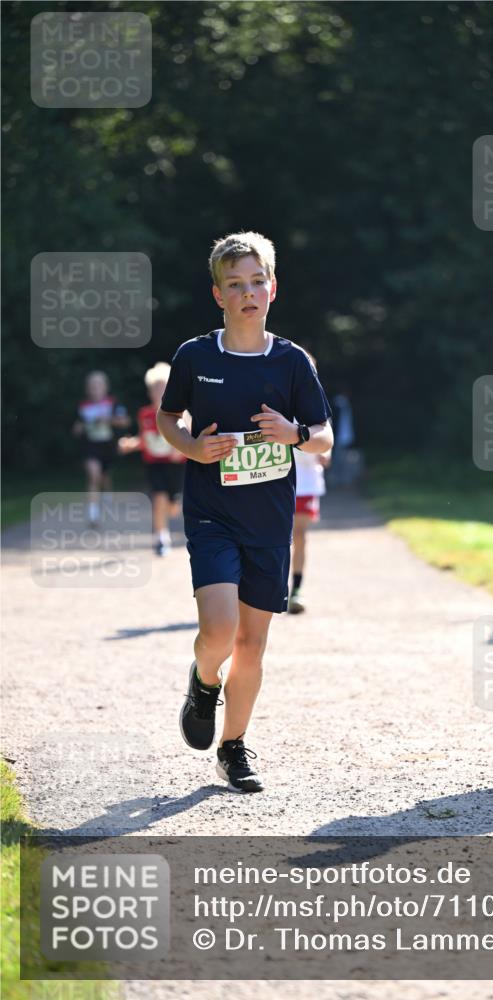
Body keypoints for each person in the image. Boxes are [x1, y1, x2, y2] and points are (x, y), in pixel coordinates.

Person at [156, 231, 333, 792]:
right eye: (235, 284)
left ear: (272, 289)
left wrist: (293, 432)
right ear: (218, 295)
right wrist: (191, 447)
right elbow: (168, 418)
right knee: (220, 629)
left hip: (269, 520)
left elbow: (323, 438)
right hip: (211, 512)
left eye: (257, 281)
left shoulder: (291, 361)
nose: (248, 292)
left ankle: (233, 748)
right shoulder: (194, 356)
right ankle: (204, 680)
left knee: (253, 646)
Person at [118, 362, 187, 556]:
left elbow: (189, 437)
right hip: (155, 464)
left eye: (163, 388)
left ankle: (172, 510)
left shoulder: (181, 413)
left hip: (176, 466)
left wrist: (182, 450)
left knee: (173, 507)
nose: (159, 392)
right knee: (158, 498)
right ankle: (161, 538)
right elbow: (145, 440)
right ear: (150, 392)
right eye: (155, 389)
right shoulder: (145, 414)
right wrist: (130, 444)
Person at [71, 370, 130, 526]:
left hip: (108, 447)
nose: (95, 389)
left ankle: (106, 496)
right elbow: (76, 427)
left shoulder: (113, 402)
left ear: (105, 387)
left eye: (98, 385)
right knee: (93, 475)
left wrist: (108, 419)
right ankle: (93, 514)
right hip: (91, 447)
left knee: (104, 477)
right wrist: (80, 428)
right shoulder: (82, 406)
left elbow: (124, 421)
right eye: (92, 386)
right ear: (87, 388)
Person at [289, 425, 331, 614]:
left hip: (306, 483)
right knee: (275, 538)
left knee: (299, 536)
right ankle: (272, 591)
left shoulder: (315, 401)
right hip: (276, 481)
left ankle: (296, 589)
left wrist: (325, 454)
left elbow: (326, 440)